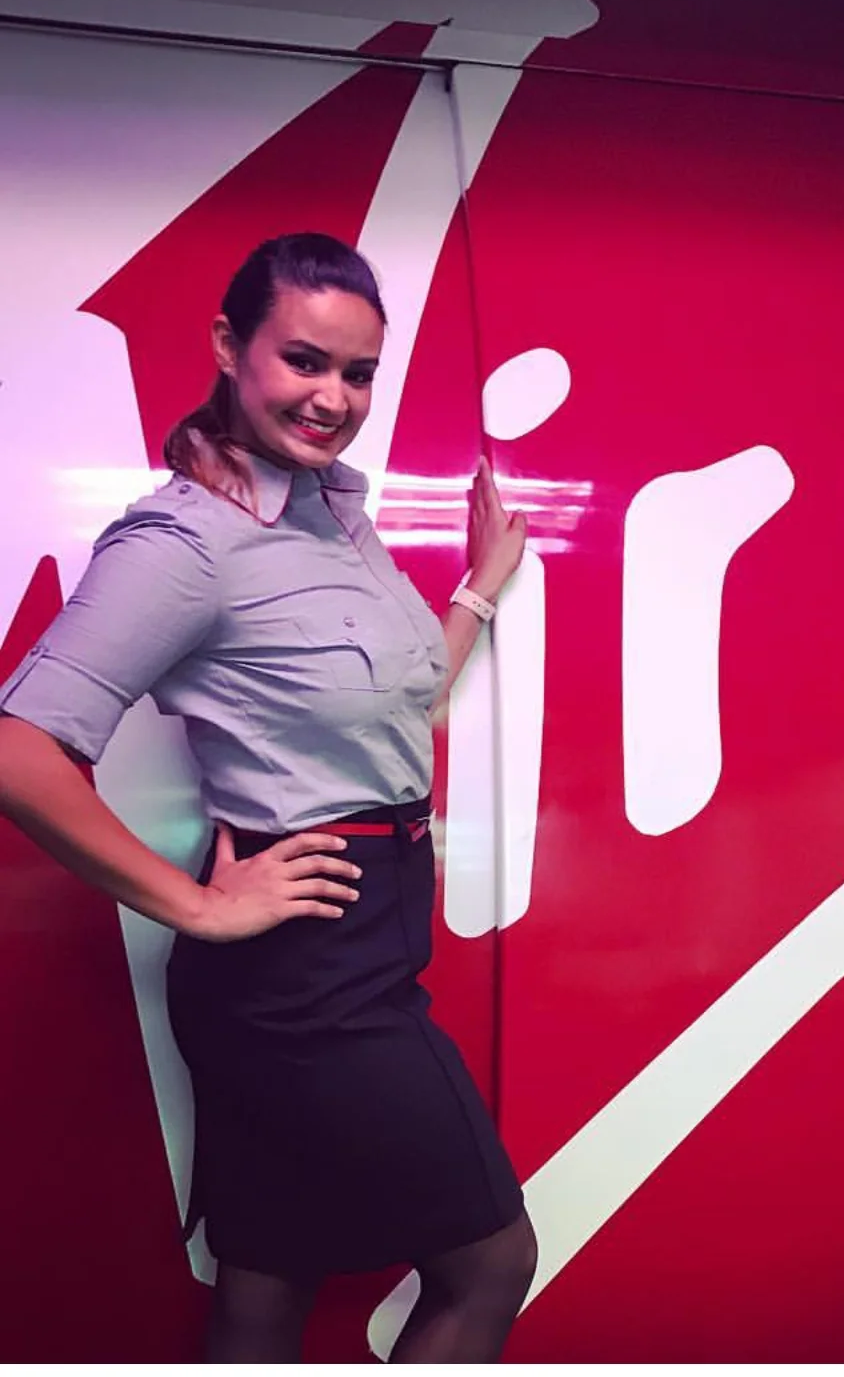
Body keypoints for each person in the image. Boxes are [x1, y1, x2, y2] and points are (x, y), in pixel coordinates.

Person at [0, 233, 537, 1363]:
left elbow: (395, 708)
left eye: (358, 374)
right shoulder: (187, 539)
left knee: (270, 1270)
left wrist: (480, 590)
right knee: (491, 1263)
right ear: (228, 346)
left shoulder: (335, 515)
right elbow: (20, 748)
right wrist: (198, 905)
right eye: (304, 360)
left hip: (366, 936)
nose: (333, 398)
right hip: (302, 973)